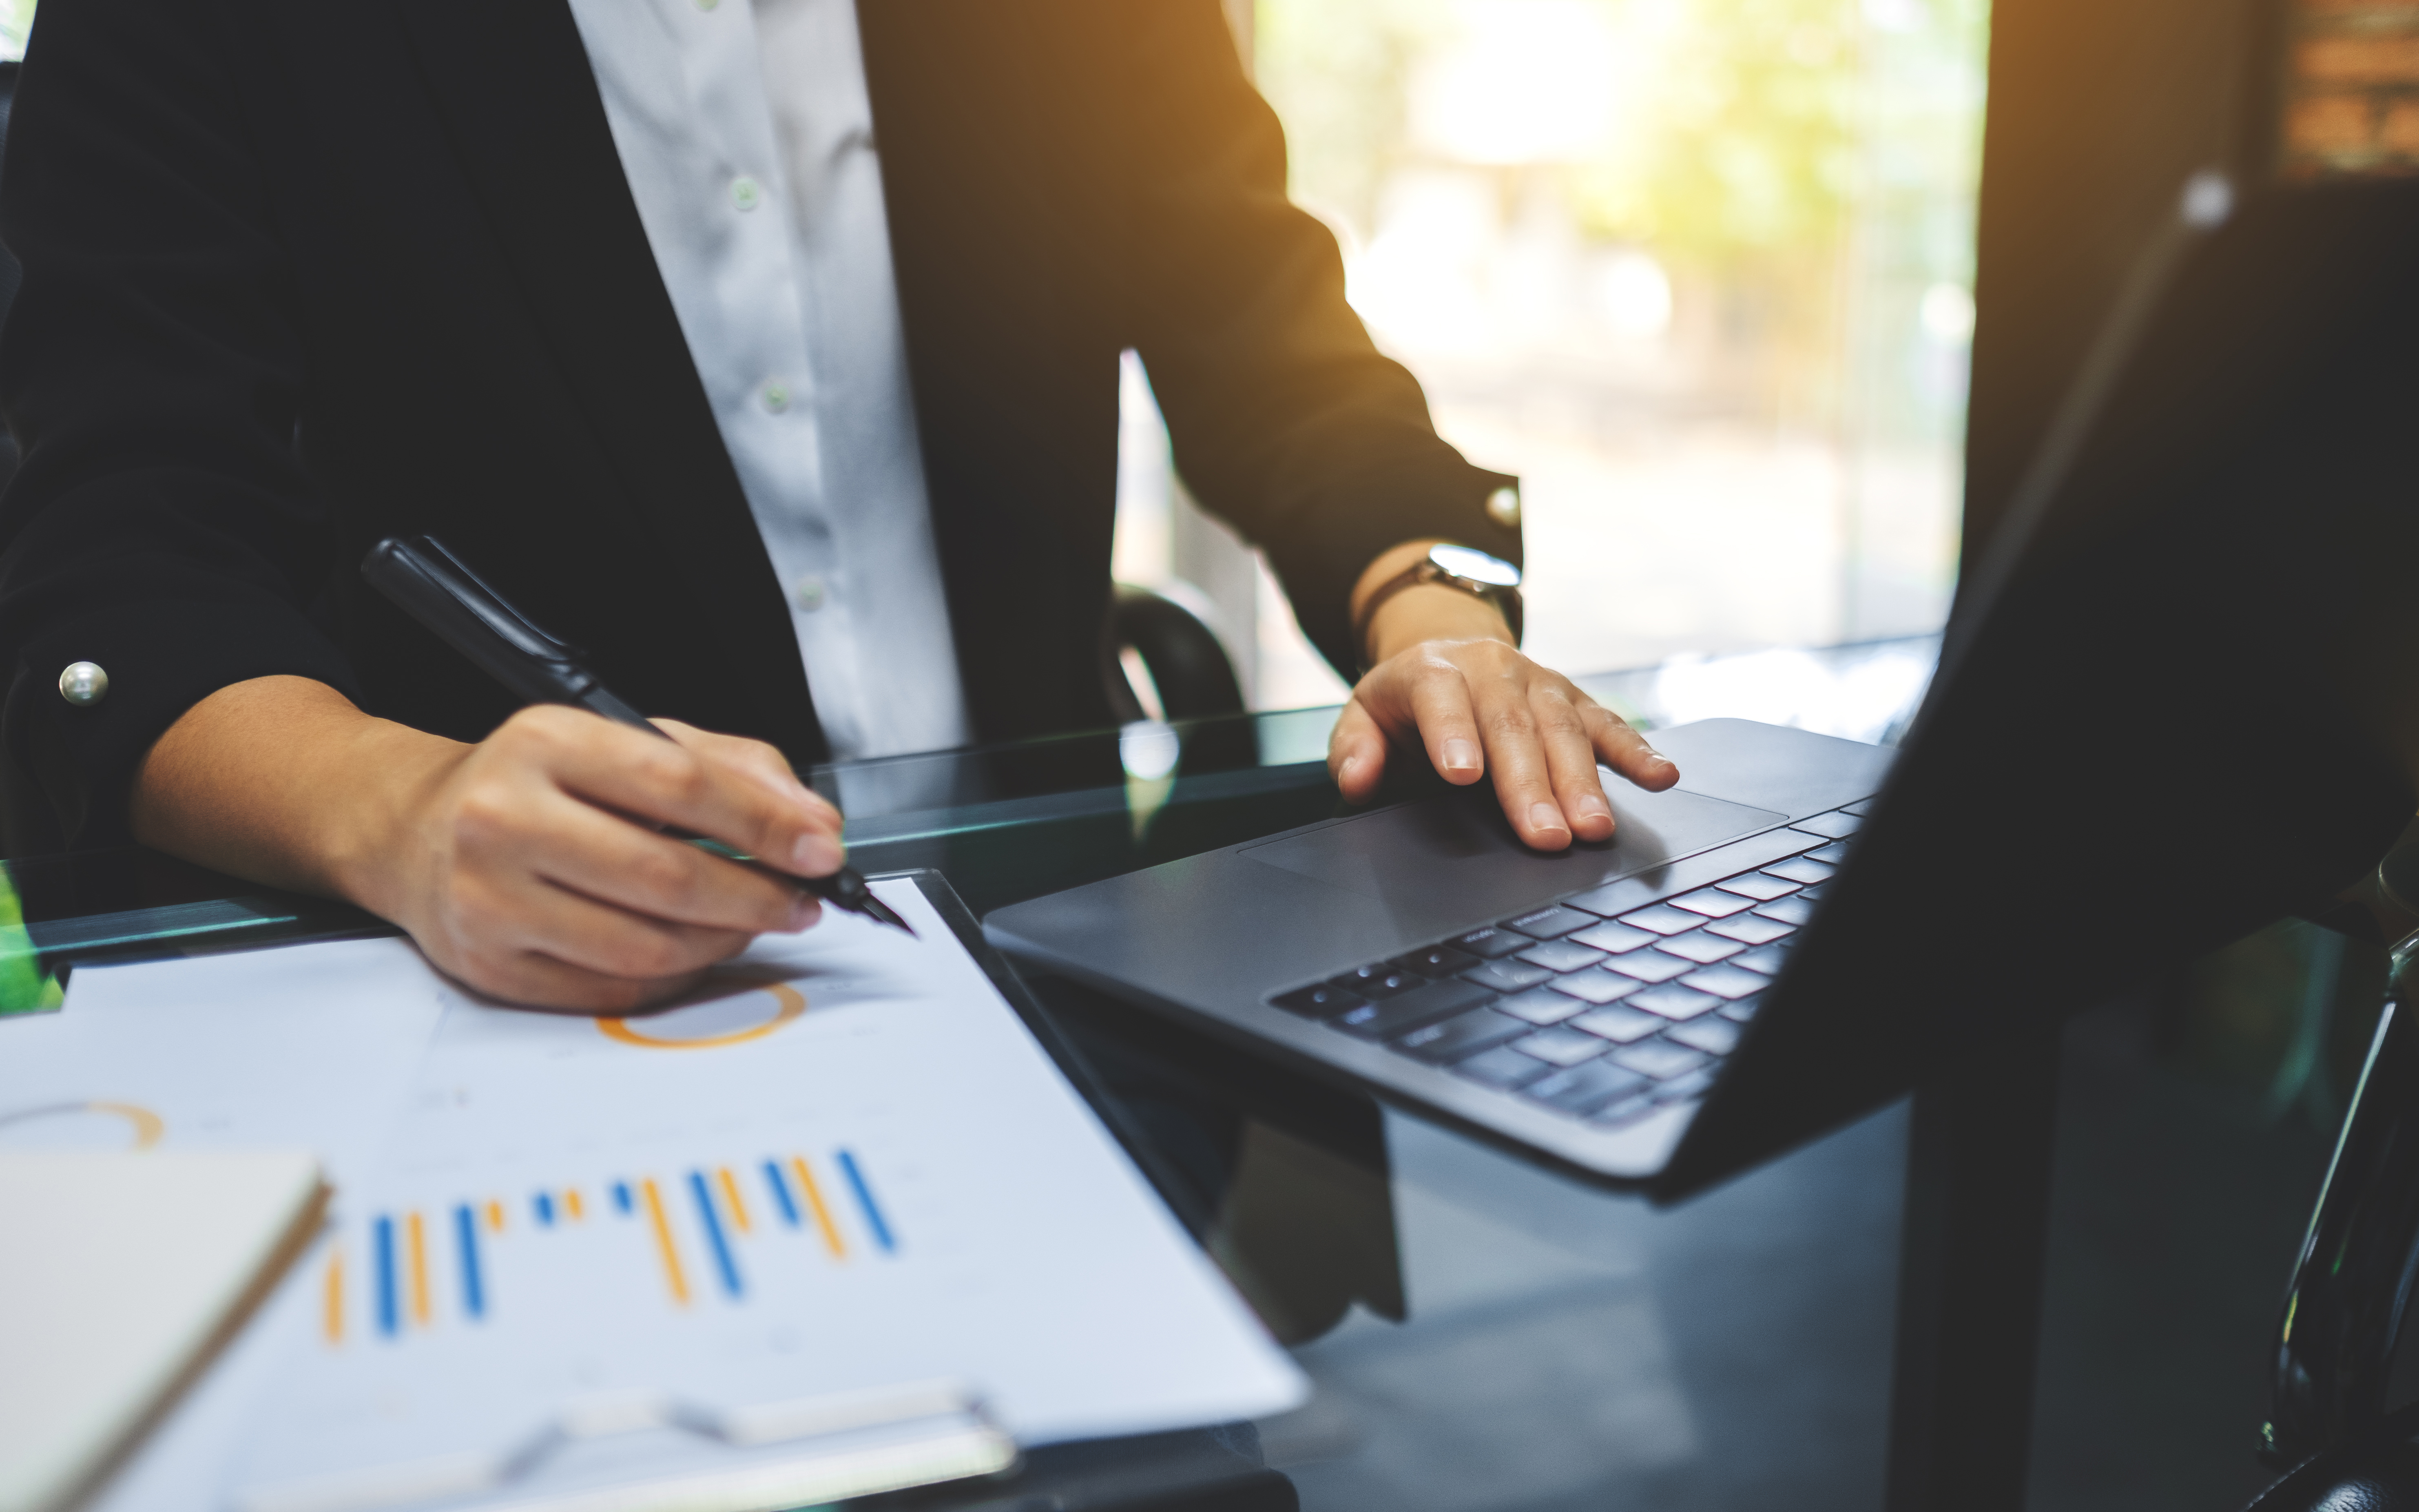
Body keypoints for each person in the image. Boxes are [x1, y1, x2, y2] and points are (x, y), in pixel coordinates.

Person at [0, 0, 1676, 1011]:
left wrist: (1434, 616)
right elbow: (121, 546)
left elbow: (1260, 328)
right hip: (531, 987)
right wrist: (397, 806)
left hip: (1062, 943)